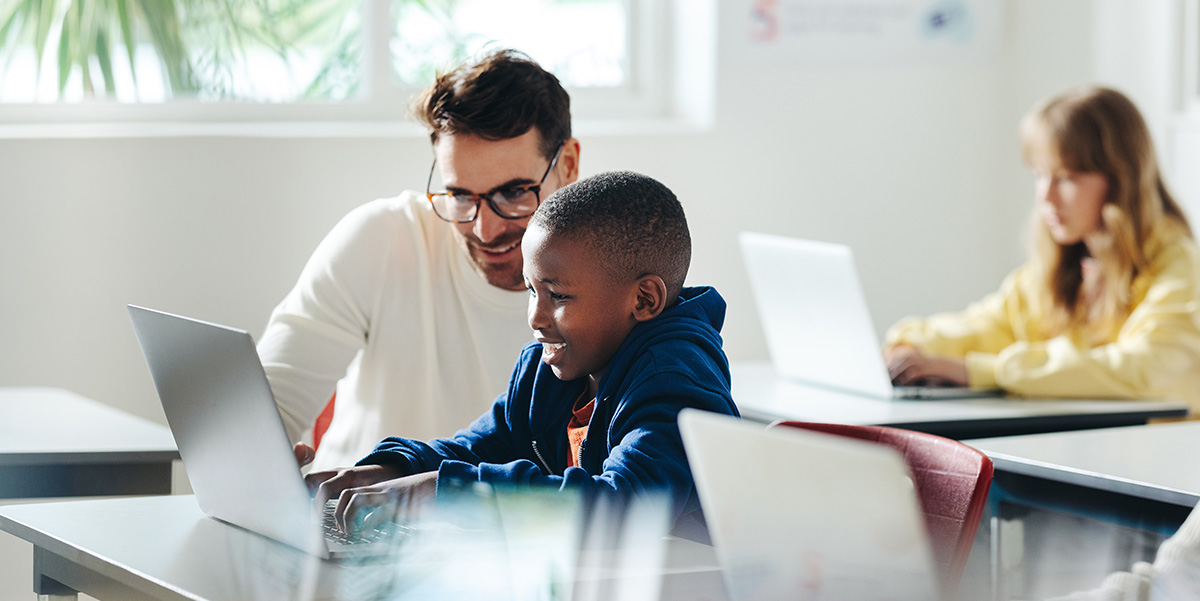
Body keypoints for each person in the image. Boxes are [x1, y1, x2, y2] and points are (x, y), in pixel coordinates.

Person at [306, 171, 739, 538]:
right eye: (533, 290)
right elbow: (476, 448)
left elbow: (622, 506)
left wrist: (450, 491)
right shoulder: (547, 370)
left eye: (559, 296)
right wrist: (394, 469)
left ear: (644, 300)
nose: (536, 317)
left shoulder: (676, 382)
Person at [256, 49, 581, 470]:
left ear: (568, 164)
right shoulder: (384, 240)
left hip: (515, 531)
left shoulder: (619, 283)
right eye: (461, 196)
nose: (484, 230)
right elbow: (269, 404)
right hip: (348, 519)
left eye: (514, 193)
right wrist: (263, 465)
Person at [884, 86, 1200, 413]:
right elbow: (989, 325)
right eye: (1039, 175)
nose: (1045, 197)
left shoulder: (1180, 266)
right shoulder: (1067, 264)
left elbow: (1144, 369)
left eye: (1066, 178)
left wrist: (982, 372)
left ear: (1121, 179)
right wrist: (909, 345)